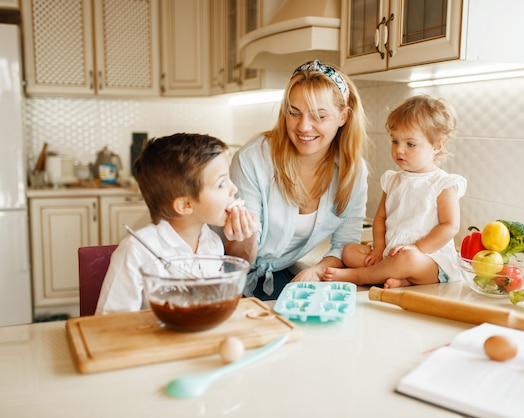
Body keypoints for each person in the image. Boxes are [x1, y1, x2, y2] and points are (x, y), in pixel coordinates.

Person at [223, 59, 369, 300]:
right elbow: (239, 257)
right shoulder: (253, 160)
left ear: (343, 116)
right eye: (294, 113)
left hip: (275, 276)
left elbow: (346, 244)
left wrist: (318, 270)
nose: (304, 127)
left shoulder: (352, 171)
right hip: (224, 276)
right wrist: (244, 233)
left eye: (319, 116)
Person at [96, 133, 258, 314]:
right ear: (185, 205)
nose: (234, 188)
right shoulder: (136, 251)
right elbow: (109, 322)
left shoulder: (212, 244)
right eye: (221, 183)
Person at [323, 94, 467, 288]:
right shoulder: (392, 180)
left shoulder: (443, 183)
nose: (399, 150)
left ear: (437, 145)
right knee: (348, 251)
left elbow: (450, 227)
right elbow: (380, 218)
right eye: (395, 141)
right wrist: (379, 249)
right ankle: (399, 279)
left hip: (428, 258)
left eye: (410, 144)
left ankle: (359, 276)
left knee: (408, 260)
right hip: (391, 252)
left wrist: (417, 248)